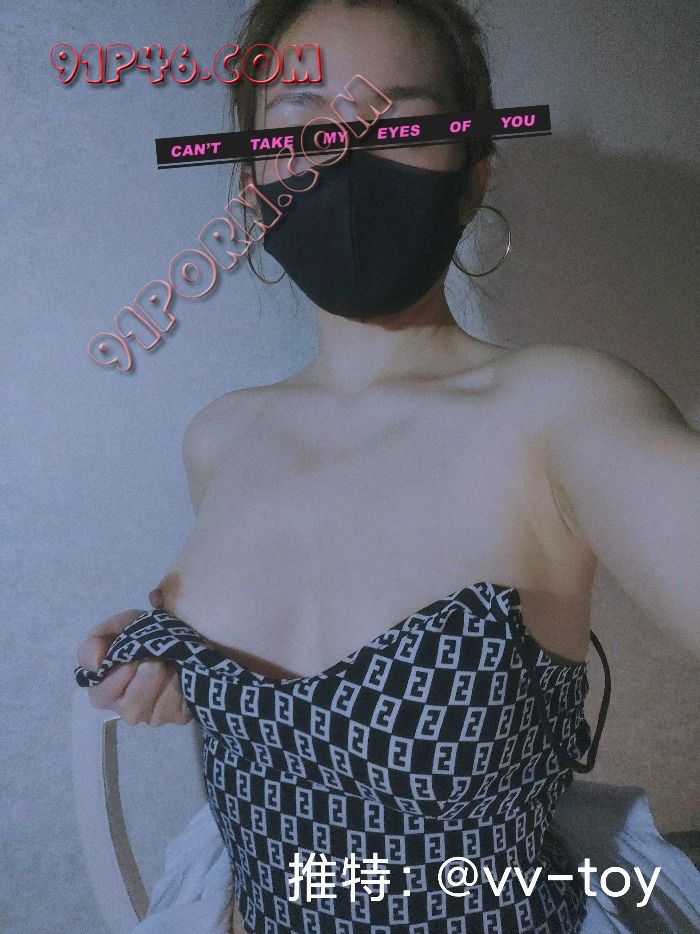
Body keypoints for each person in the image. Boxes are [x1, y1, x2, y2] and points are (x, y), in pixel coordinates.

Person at [74, 1, 700, 932]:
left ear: (473, 173)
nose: (344, 155)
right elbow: (302, 708)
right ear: (251, 185)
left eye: (399, 122)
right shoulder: (219, 438)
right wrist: (177, 663)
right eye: (300, 122)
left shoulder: (563, 409)